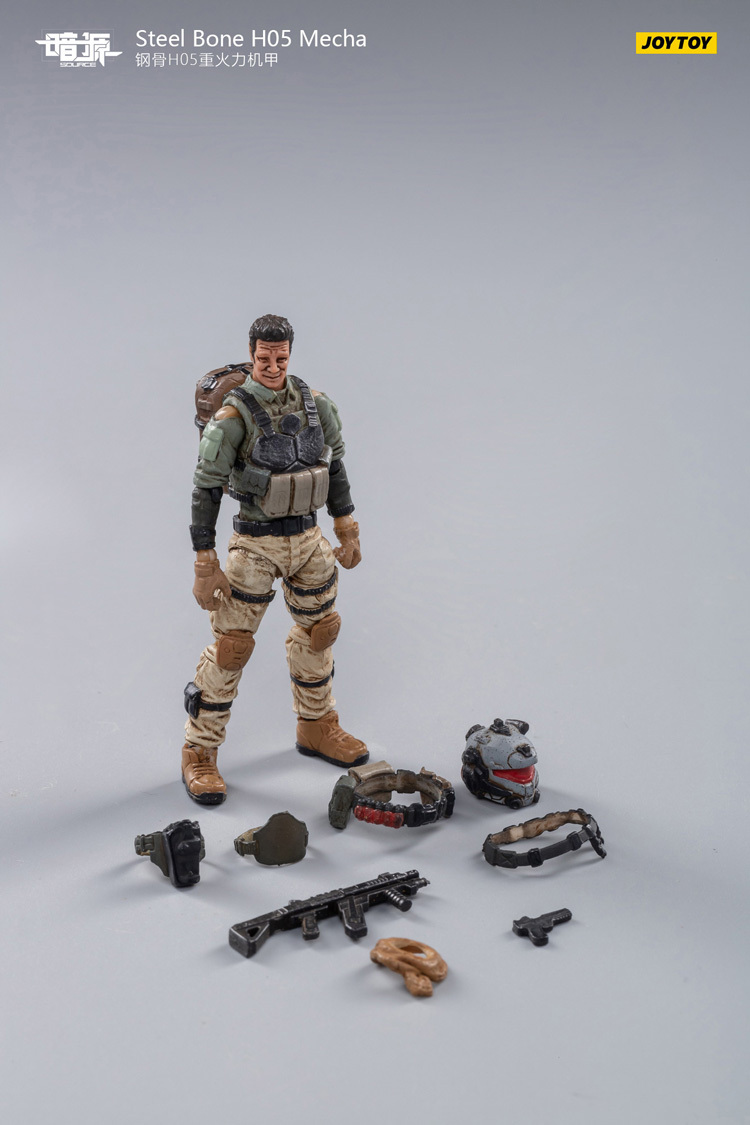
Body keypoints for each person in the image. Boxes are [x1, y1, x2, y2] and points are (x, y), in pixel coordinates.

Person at [182, 314, 367, 805]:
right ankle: (199, 750)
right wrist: (205, 562)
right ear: (251, 354)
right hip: (255, 544)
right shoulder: (233, 416)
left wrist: (346, 526)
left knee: (320, 631)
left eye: (280, 357)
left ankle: (317, 724)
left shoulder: (316, 405)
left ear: (289, 354)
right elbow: (206, 488)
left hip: (308, 537)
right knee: (231, 648)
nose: (272, 366)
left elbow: (335, 465)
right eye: (263, 357)